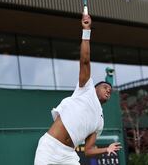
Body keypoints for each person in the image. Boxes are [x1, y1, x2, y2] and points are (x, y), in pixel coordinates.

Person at [34, 14, 121, 165]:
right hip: (49, 147)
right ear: (94, 88)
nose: (108, 91)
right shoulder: (86, 89)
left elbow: (88, 150)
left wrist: (106, 149)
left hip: (68, 155)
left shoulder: (99, 122)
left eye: (110, 91)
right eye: (105, 87)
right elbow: (85, 60)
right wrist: (86, 30)